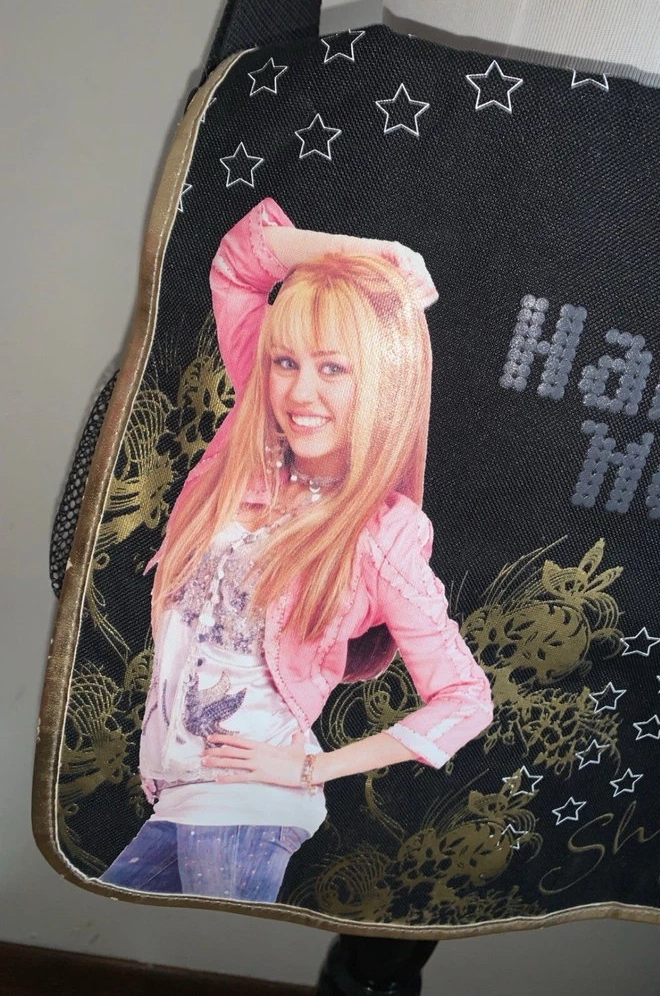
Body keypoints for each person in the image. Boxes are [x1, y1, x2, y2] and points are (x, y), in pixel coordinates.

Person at [99, 197, 493, 903]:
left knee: (208, 956)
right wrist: (369, 255)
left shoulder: (382, 533)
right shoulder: (252, 449)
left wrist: (311, 769)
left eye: (334, 369)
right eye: (285, 362)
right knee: (116, 926)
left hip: (244, 806)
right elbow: (236, 264)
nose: (300, 393)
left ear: (380, 384)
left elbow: (466, 699)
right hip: (179, 790)